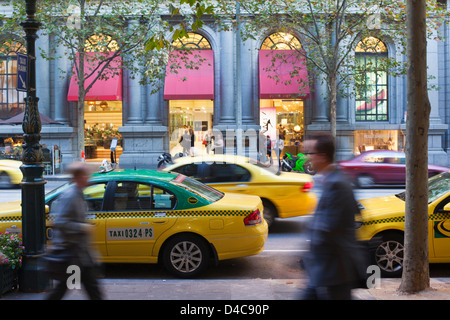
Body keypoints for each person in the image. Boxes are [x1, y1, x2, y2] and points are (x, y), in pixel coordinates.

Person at [300, 134, 364, 300]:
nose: (308, 158)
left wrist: (305, 255)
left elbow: (329, 227)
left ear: (322, 156)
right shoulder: (331, 180)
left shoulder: (338, 183)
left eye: (310, 153)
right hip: (326, 267)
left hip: (335, 268)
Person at [45, 162, 103, 300]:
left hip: (79, 254)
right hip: (72, 253)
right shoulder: (70, 195)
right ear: (77, 177)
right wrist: (82, 227)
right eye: (85, 175)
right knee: (67, 288)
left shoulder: (78, 193)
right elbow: (60, 222)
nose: (88, 178)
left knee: (86, 288)